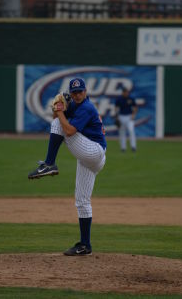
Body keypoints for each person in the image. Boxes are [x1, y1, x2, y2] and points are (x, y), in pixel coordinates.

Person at [28, 78, 107, 256]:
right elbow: (58, 117)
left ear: (85, 92)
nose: (77, 95)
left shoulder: (87, 107)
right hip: (90, 158)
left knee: (58, 125)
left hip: (93, 151)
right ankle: (85, 245)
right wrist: (58, 109)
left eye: (80, 91)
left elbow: (68, 130)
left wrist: (59, 112)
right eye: (74, 92)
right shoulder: (74, 105)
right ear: (71, 93)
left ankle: (49, 164)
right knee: (82, 201)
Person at [115, 88, 138, 152]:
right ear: (123, 92)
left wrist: (133, 115)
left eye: (127, 92)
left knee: (131, 130)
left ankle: (133, 146)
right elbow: (116, 108)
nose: (126, 93)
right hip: (121, 116)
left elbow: (135, 107)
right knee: (122, 132)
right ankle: (123, 148)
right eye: (125, 92)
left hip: (129, 116)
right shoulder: (119, 99)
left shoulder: (131, 98)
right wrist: (117, 117)